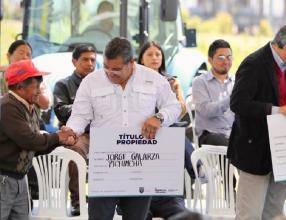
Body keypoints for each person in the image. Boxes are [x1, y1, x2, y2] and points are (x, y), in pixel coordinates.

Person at [66, 37, 181, 220]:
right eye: (106, 67)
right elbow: (79, 116)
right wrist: (71, 131)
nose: (110, 73)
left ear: (132, 63)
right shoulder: (91, 82)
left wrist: (159, 118)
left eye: (117, 69)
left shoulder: (153, 79)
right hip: (105, 164)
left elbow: (175, 107)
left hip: (140, 164)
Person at [228, 21, 286, 220]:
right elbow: (238, 103)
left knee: (274, 213)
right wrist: (276, 111)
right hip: (255, 151)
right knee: (250, 213)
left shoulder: (283, 66)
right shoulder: (254, 63)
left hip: (279, 153)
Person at [0, 59, 77, 220]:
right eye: (36, 87)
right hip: (4, 179)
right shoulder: (7, 106)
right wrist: (58, 137)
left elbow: (34, 146)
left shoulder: (29, 106)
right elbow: (28, 140)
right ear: (20, 87)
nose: (39, 92)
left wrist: (59, 140)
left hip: (19, 178)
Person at [137, 41, 189, 219]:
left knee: (173, 129)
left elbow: (181, 111)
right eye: (150, 54)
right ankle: (195, 167)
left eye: (158, 54)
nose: (154, 58)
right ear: (141, 59)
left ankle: (176, 190)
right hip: (143, 130)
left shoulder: (171, 80)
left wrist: (177, 90)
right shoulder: (135, 80)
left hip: (166, 127)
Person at [53, 43, 97, 216]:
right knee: (75, 150)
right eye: (85, 59)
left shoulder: (103, 84)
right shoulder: (63, 85)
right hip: (76, 133)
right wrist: (84, 107)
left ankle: (110, 199)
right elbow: (60, 112)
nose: (90, 63)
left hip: (100, 131)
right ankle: (78, 201)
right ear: (74, 61)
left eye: (93, 59)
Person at [192, 39, 234, 147]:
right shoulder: (200, 82)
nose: (226, 61)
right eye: (221, 57)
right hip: (210, 135)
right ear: (210, 60)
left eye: (229, 57)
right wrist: (232, 98)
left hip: (234, 133)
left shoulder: (237, 81)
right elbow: (207, 111)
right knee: (232, 148)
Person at [0, 40, 51, 111]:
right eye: (21, 53)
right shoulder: (2, 75)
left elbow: (45, 104)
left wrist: (34, 87)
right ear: (9, 56)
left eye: (28, 55)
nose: (25, 57)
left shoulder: (36, 77)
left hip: (30, 120)